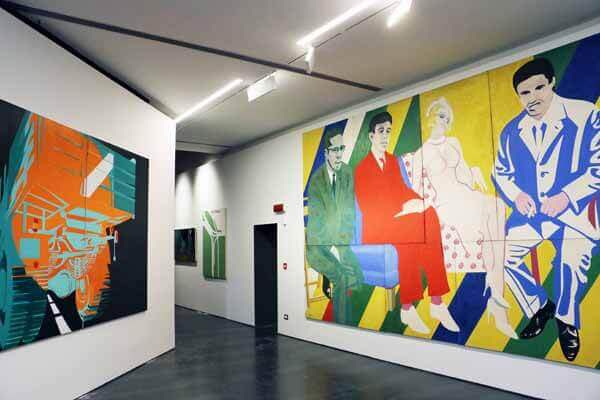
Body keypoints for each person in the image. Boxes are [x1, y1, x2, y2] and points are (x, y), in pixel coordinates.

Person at [494, 58, 600, 361]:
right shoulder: (511, 131)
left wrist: (566, 196)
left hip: (576, 214)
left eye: (539, 88)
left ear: (552, 83)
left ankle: (566, 321)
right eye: (524, 93)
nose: (532, 98)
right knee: (501, 256)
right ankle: (540, 307)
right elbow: (500, 172)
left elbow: (597, 166)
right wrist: (517, 196)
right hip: (534, 216)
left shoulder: (585, 115)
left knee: (571, 259)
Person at [410, 97, 517, 339]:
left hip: (465, 194)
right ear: (429, 118)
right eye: (438, 115)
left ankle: (496, 295)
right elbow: (417, 191)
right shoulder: (421, 154)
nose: (442, 121)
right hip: (445, 204)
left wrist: (473, 172)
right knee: (488, 223)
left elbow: (465, 176)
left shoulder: (454, 142)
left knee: (498, 207)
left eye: (446, 117)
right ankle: (497, 302)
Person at [354, 111, 459, 334]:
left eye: (388, 131)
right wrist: (402, 212)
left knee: (429, 214)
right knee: (412, 230)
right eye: (381, 131)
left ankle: (436, 301)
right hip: (377, 228)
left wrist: (418, 202)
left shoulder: (393, 161)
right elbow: (368, 207)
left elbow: (403, 190)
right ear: (371, 136)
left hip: (398, 222)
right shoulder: (362, 169)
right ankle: (409, 307)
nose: (385, 136)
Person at [306, 128, 364, 325]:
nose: (339, 154)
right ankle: (342, 326)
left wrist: (342, 246)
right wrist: (332, 249)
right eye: (335, 150)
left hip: (339, 242)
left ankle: (354, 322)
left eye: (341, 148)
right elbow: (317, 224)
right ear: (326, 153)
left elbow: (349, 214)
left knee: (357, 274)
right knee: (341, 276)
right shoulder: (316, 181)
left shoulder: (347, 172)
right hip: (318, 246)